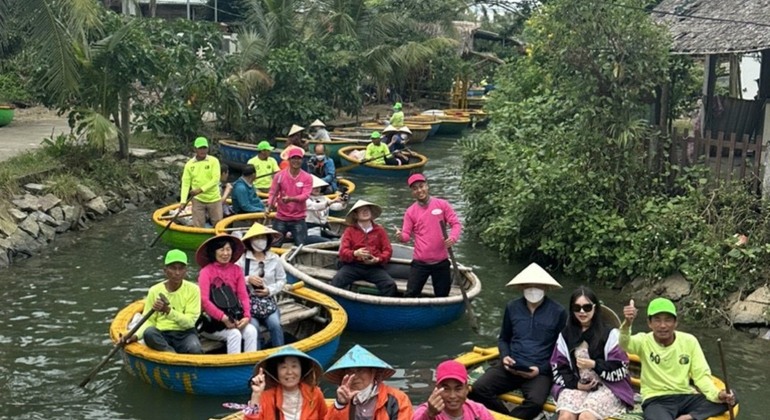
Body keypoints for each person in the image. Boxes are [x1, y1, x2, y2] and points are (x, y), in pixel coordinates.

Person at [468, 263, 567, 420]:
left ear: (546, 287)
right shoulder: (512, 307)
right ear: (522, 287)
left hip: (539, 371)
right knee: (478, 389)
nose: (533, 288)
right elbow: (503, 339)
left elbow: (561, 351)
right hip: (511, 366)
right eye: (529, 285)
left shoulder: (558, 312)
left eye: (538, 285)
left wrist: (540, 369)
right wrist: (505, 356)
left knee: (535, 402)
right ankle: (506, 416)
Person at [620, 298, 736, 420]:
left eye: (668, 320)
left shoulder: (689, 341)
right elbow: (624, 344)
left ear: (676, 323)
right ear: (650, 323)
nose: (663, 325)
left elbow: (701, 375)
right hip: (656, 400)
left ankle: (688, 417)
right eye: (657, 320)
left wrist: (717, 394)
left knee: (732, 397)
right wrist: (627, 324)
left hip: (685, 396)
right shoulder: (643, 341)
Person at [550, 286, 634, 420]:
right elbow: (558, 366)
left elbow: (621, 367)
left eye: (587, 307)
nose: (582, 312)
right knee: (566, 416)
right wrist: (576, 384)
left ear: (595, 308)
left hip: (608, 387)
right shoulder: (566, 335)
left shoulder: (610, 334)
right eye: (577, 308)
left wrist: (595, 364)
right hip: (577, 384)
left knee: (585, 416)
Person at [395, 174, 462, 298]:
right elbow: (406, 236)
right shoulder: (410, 212)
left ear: (427, 186)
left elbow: (456, 224)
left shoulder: (442, 204)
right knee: (410, 294)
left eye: (421, 186)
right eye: (415, 188)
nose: (419, 190)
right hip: (420, 263)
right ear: (412, 192)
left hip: (441, 261)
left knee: (442, 296)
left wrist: (452, 238)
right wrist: (400, 236)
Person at [130, 249, 203, 354]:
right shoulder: (154, 290)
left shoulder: (193, 290)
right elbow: (149, 321)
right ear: (165, 270)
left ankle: (173, 356)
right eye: (173, 268)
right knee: (149, 333)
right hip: (161, 333)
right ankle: (170, 353)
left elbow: (190, 322)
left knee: (195, 348)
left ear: (185, 271)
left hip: (185, 333)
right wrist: (135, 336)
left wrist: (168, 311)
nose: (177, 273)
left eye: (181, 268)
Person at [196, 234, 257, 354]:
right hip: (212, 323)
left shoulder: (237, 270)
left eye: (228, 249)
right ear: (214, 252)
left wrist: (246, 316)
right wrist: (223, 318)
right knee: (234, 334)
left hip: (233, 317)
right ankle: (234, 368)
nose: (225, 253)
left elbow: (243, 295)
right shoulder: (205, 272)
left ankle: (251, 367)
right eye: (221, 249)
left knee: (251, 330)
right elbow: (204, 300)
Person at [325, 344, 413, 419]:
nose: (354, 376)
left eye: (360, 370)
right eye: (349, 371)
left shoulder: (397, 399)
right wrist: (340, 405)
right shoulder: (342, 400)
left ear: (373, 372)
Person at [242, 346, 327, 419]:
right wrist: (256, 394)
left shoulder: (314, 394)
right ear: (276, 372)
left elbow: (325, 417)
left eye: (294, 366)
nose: (289, 372)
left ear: (302, 369)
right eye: (283, 367)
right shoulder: (266, 397)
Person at [331, 200, 396, 296]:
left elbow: (388, 250)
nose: (365, 212)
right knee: (337, 281)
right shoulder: (350, 231)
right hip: (353, 266)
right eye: (361, 210)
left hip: (374, 267)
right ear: (356, 215)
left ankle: (384, 309)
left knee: (390, 285)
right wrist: (355, 253)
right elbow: (343, 251)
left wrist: (377, 259)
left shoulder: (380, 230)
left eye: (367, 210)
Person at [236, 223, 285, 349]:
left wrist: (269, 290)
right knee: (254, 328)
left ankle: (280, 354)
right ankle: (256, 357)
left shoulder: (275, 258)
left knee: (275, 325)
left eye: (263, 237)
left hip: (269, 302)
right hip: (248, 303)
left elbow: (282, 280)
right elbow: (233, 280)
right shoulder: (242, 259)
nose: (260, 241)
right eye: (256, 238)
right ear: (249, 241)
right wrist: (248, 279)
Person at [413, 359, 494, 420]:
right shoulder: (424, 411)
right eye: (446, 389)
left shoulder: (478, 411)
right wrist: (429, 414)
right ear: (436, 389)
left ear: (466, 389)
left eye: (458, 389)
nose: (452, 396)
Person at [267, 146, 313, 246]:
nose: (296, 161)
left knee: (301, 246)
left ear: (302, 160)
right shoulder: (279, 176)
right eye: (293, 158)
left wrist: (291, 199)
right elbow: (273, 193)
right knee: (274, 245)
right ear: (289, 160)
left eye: (299, 158)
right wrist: (270, 204)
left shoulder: (307, 177)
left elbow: (305, 195)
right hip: (281, 217)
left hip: (298, 218)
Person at [180, 136, 222, 228]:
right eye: (200, 148)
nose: (203, 150)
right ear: (195, 149)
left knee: (218, 223)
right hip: (198, 199)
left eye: (205, 148)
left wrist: (201, 189)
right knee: (198, 224)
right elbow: (186, 183)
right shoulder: (189, 165)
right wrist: (183, 201)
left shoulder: (214, 161)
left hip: (213, 198)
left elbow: (215, 179)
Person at [305, 175, 346, 244]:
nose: (317, 189)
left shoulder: (323, 198)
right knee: (329, 242)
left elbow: (336, 207)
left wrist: (343, 202)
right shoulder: (305, 199)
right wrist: (332, 201)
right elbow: (316, 206)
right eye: (314, 187)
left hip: (324, 230)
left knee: (337, 239)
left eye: (318, 187)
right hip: (310, 231)